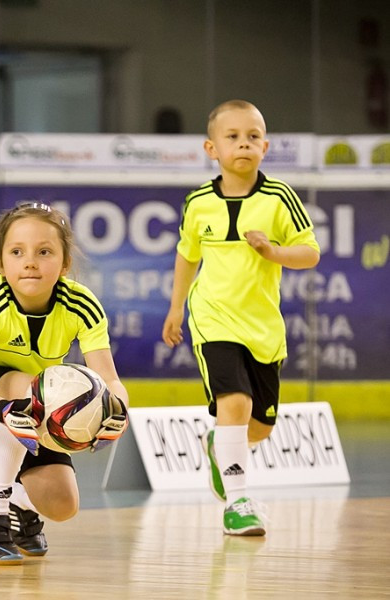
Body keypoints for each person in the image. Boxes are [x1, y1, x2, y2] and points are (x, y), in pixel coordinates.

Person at [0, 202, 129, 565]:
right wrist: (7, 411)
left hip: (32, 399)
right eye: (17, 252)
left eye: (44, 252)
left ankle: (18, 506)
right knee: (29, 391)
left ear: (65, 264)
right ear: (2, 263)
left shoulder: (82, 304)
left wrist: (117, 410)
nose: (30, 262)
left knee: (62, 504)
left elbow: (110, 379)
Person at [161, 99, 321, 536]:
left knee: (259, 428)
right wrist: (177, 309)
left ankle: (219, 444)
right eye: (232, 137)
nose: (243, 144)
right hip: (213, 318)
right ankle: (238, 503)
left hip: (264, 328)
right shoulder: (198, 203)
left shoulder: (279, 198)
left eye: (252, 136)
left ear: (265, 147)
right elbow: (185, 256)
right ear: (212, 148)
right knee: (235, 403)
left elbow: (310, 253)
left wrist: (274, 252)